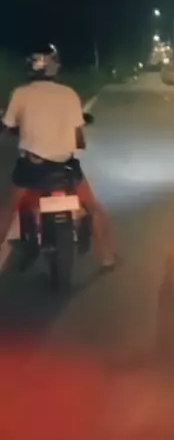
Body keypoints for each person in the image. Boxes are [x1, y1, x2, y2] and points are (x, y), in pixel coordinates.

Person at [0, 43, 116, 270]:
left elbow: (7, 126)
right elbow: (79, 137)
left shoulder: (20, 93)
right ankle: (107, 257)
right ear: (55, 66)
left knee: (7, 209)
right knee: (93, 207)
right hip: (65, 169)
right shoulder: (69, 94)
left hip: (31, 168)